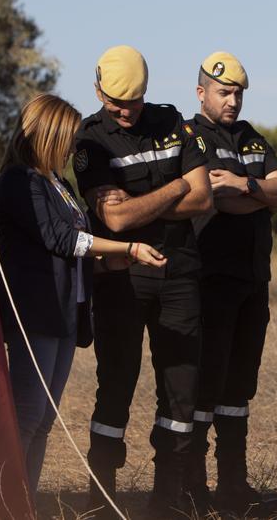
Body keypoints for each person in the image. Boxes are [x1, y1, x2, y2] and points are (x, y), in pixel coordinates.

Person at [0, 93, 167, 500]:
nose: (73, 147)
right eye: (68, 138)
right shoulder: (20, 181)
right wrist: (126, 249)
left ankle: (25, 504)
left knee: (43, 421)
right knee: (27, 417)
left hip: (64, 315)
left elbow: (77, 250)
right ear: (48, 134)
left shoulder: (60, 183)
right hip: (34, 313)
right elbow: (62, 239)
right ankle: (3, 505)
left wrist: (110, 264)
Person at [71, 46, 213, 514]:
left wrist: (140, 205)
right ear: (98, 90)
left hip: (179, 274)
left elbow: (203, 199)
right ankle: (102, 497)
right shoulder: (90, 140)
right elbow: (113, 220)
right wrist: (175, 185)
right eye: (115, 101)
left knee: (181, 387)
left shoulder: (173, 123)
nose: (125, 110)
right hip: (122, 280)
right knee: (116, 383)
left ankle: (167, 498)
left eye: (133, 101)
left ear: (146, 92)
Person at [183, 52, 277, 514]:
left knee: (239, 388)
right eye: (224, 92)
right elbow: (215, 200)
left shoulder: (251, 138)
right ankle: (192, 487)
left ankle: (234, 485)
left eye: (238, 93)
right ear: (201, 92)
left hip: (253, 280)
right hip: (211, 280)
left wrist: (247, 186)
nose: (233, 100)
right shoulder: (190, 137)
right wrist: (256, 193)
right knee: (205, 386)